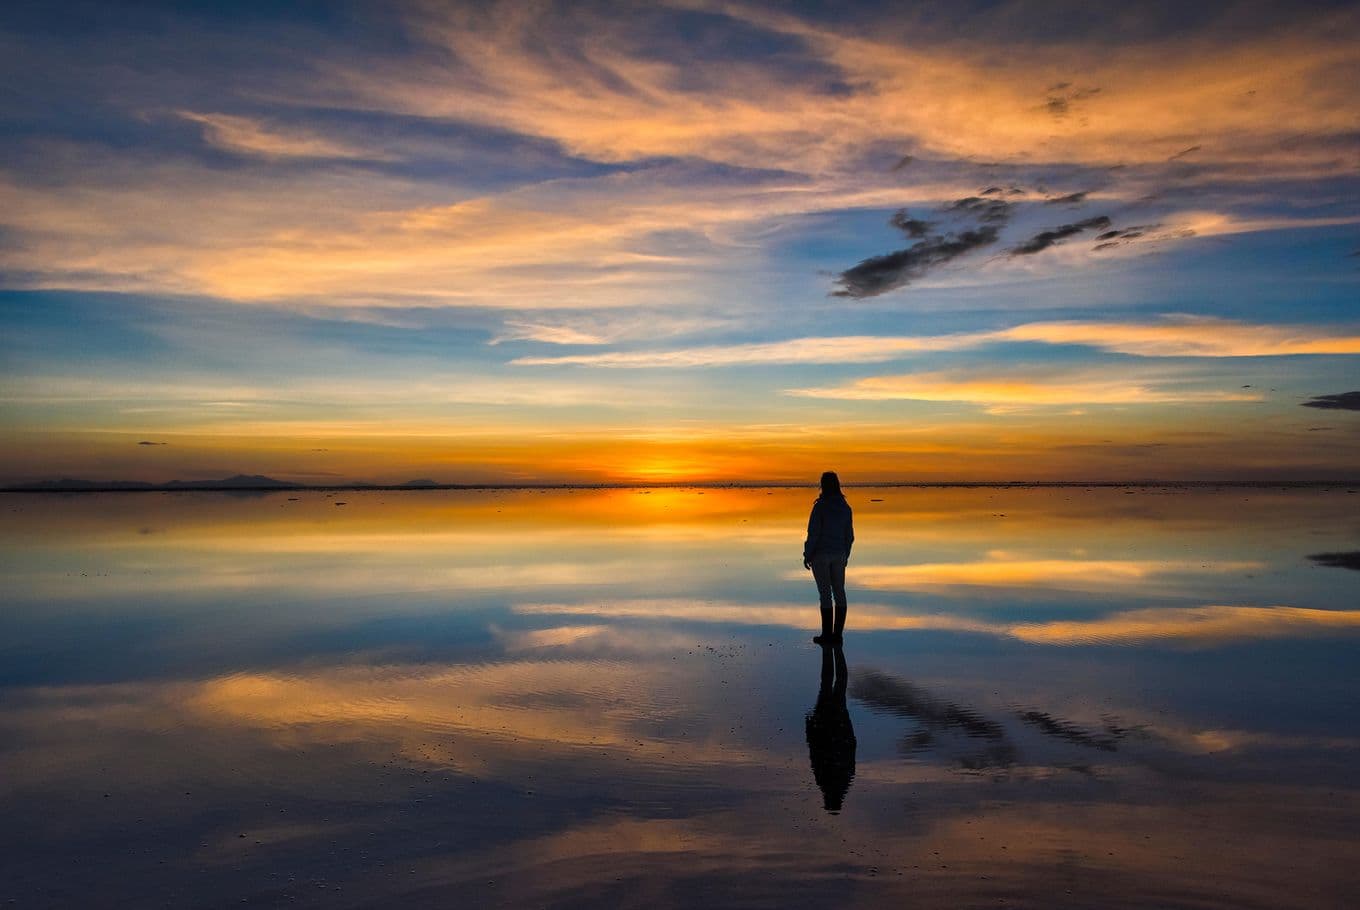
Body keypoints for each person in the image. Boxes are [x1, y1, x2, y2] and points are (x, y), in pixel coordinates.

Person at [803, 470, 854, 644]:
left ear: (823, 486)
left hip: (821, 556)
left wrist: (807, 554)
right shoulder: (845, 507)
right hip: (839, 554)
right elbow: (850, 536)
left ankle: (827, 635)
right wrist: (845, 554)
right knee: (839, 592)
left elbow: (814, 533)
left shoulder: (820, 506)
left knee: (825, 594)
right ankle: (837, 635)